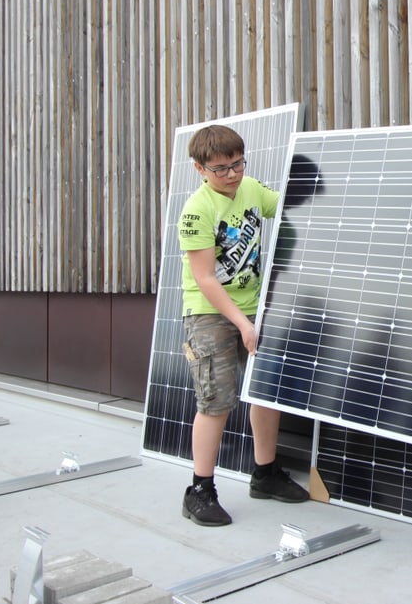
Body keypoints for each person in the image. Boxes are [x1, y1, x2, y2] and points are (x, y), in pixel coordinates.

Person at [178, 124, 309, 526]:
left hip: (253, 306)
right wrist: (242, 323)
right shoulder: (196, 211)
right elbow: (205, 278)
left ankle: (265, 474)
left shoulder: (251, 188)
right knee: (217, 402)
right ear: (200, 169)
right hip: (210, 312)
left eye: (237, 163)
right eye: (221, 168)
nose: (232, 174)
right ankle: (199, 489)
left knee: (266, 392)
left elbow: (290, 200)